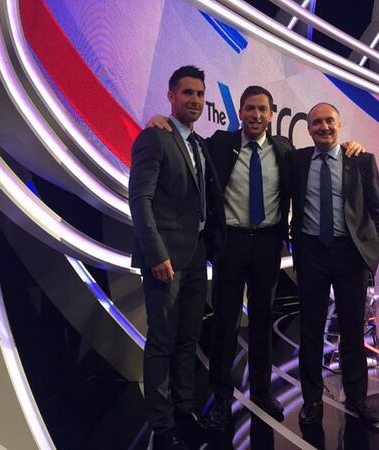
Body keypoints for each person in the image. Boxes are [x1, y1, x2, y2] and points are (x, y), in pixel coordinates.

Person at [145, 89, 364, 432]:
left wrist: (352, 146)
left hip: (267, 245)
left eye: (262, 109)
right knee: (225, 325)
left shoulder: (285, 150)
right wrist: (160, 123)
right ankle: (220, 398)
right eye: (250, 109)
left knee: (262, 320)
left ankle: (262, 392)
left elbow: (323, 158)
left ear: (272, 114)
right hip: (230, 245)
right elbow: (185, 142)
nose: (256, 115)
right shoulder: (218, 144)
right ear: (241, 112)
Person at [129, 65, 225, 450]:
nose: (195, 101)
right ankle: (161, 421)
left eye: (200, 95)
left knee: (188, 339)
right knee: (162, 342)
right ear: (171, 96)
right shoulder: (155, 137)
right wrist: (155, 253)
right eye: (188, 93)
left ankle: (185, 410)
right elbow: (140, 199)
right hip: (164, 259)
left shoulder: (200, 144)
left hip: (196, 256)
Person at [287, 103, 379, 425]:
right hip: (312, 252)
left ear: (340, 124)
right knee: (312, 332)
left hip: (349, 254)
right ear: (308, 128)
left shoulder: (361, 160)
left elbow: (376, 212)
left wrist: (369, 248)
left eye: (329, 121)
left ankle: (357, 399)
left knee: (352, 332)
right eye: (316, 123)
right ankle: (311, 400)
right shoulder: (297, 161)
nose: (323, 127)